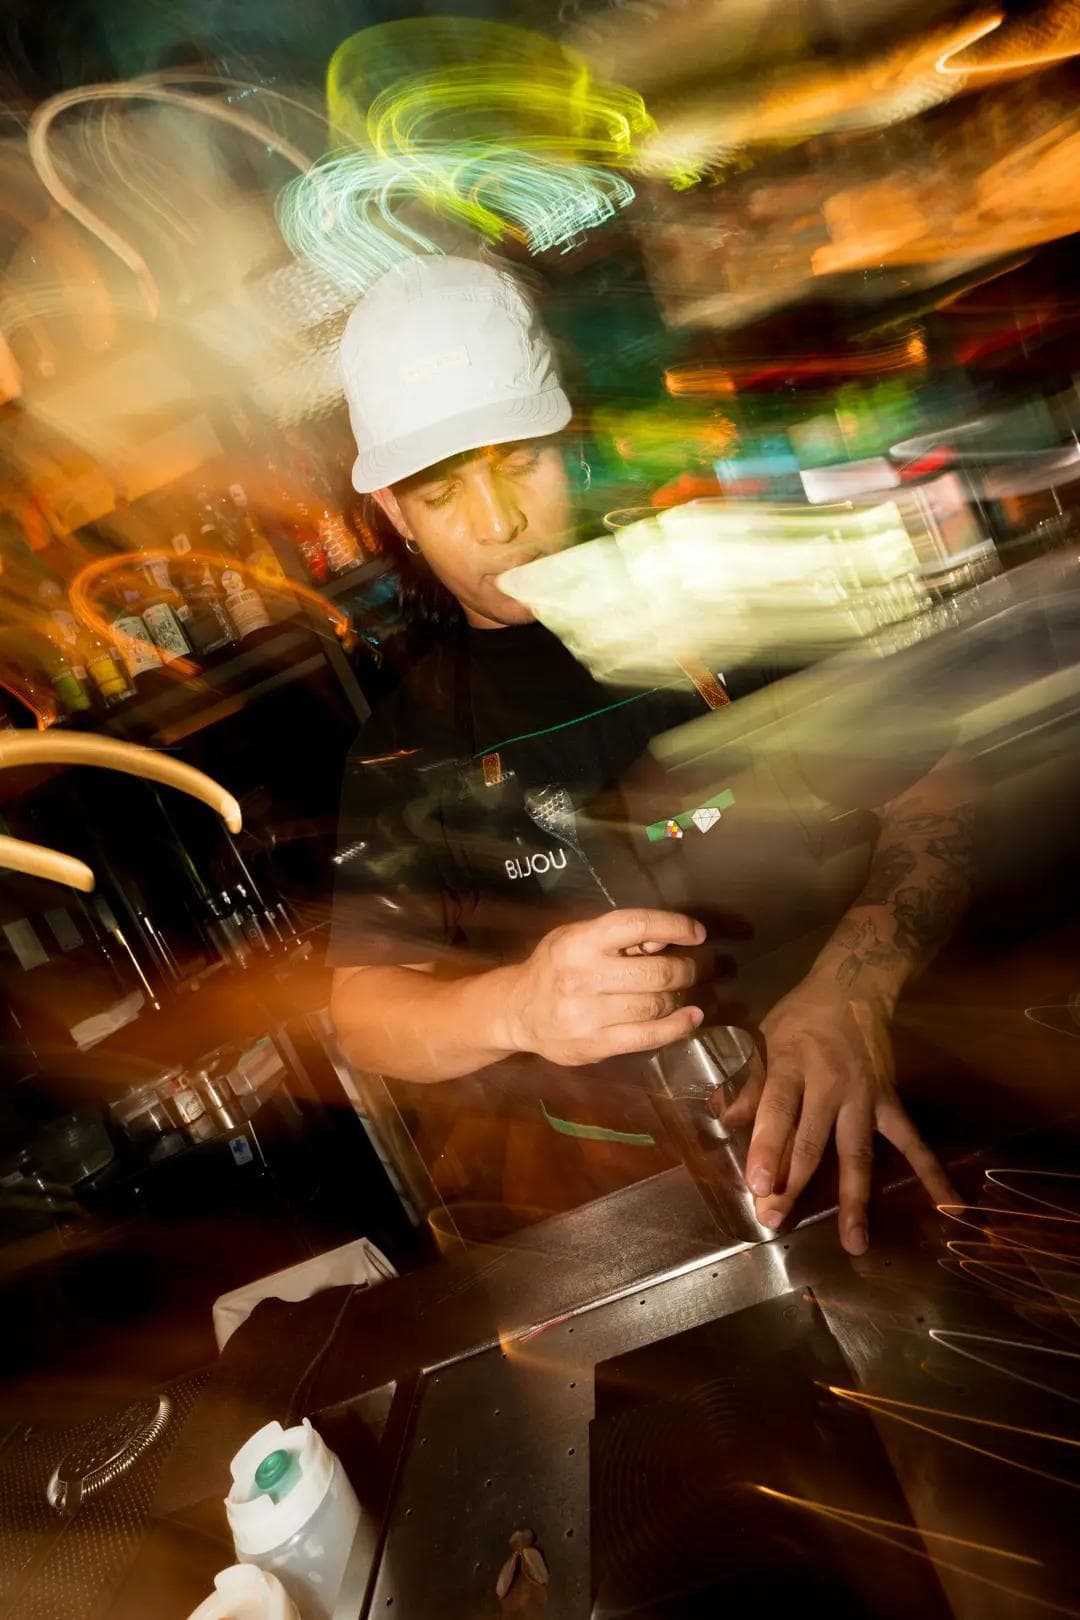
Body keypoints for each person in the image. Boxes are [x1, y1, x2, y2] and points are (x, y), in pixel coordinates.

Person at [328, 254, 968, 1252]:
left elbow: (940, 786)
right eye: (443, 493)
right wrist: (516, 1007)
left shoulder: (739, 591)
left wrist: (853, 992)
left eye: (521, 464)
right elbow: (365, 1010)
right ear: (396, 516)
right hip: (648, 1223)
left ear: (572, 443)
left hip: (905, 1137)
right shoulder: (408, 747)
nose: (499, 524)